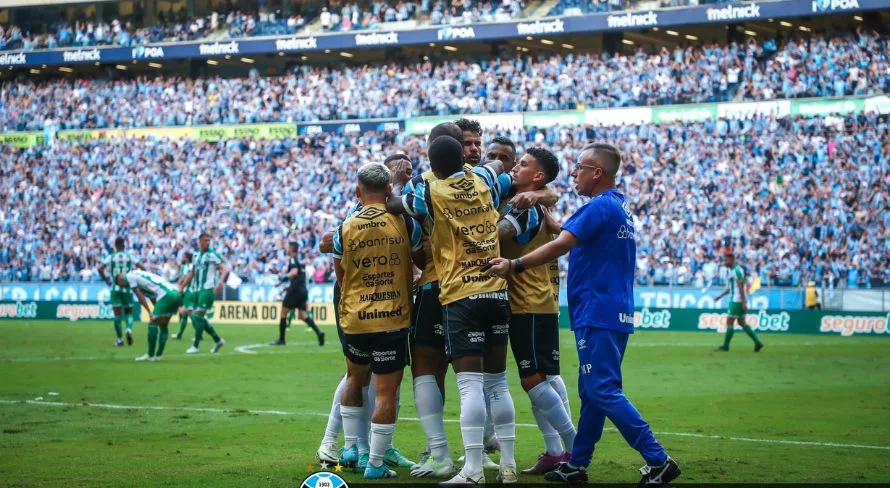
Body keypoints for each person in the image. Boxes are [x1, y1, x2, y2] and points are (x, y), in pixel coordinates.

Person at [486, 143, 681, 486]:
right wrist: (550, 213)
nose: (574, 173)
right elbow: (569, 231)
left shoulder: (599, 208)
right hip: (610, 309)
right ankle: (577, 464)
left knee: (602, 390)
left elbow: (562, 244)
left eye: (579, 167)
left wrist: (514, 264)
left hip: (598, 310)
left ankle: (658, 459)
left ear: (597, 173)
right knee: (592, 392)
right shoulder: (616, 205)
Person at [388, 135, 518, 485]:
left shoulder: (430, 192)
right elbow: (499, 170)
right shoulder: (484, 180)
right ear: (464, 157)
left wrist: (401, 179)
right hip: (496, 290)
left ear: (432, 166)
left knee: (468, 386)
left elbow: (396, 203)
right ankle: (508, 465)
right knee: (499, 384)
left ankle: (470, 468)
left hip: (459, 293)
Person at [314, 155, 416, 471]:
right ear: (389, 189)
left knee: (355, 380)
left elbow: (340, 271)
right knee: (386, 391)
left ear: (359, 192)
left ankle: (350, 449)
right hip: (392, 316)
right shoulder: (405, 221)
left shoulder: (345, 227)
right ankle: (372, 461)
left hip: (356, 316)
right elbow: (416, 262)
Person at [497, 148, 577, 475]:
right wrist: (542, 194)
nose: (515, 167)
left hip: (527, 302)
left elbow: (501, 234)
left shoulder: (526, 207)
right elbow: (552, 195)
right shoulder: (536, 202)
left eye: (523, 164)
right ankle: (556, 451)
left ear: (538, 175)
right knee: (545, 375)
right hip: (542, 300)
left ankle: (574, 446)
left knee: (532, 379)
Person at [117, 269, 182, 362]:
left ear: (120, 280)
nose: (123, 287)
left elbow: (139, 295)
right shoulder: (140, 276)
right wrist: (156, 310)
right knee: (163, 324)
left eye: (121, 285)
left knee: (153, 323)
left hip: (165, 295)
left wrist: (149, 311)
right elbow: (152, 297)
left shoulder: (129, 277)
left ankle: (150, 355)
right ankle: (159, 355)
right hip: (175, 293)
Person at [179, 233, 227, 354]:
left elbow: (225, 269)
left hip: (207, 289)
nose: (208, 242)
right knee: (197, 316)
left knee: (197, 316)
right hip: (197, 290)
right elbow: (192, 273)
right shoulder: (195, 255)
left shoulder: (212, 254)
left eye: (209, 240)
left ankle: (195, 346)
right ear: (199, 242)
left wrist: (220, 282)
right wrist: (182, 287)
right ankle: (217, 340)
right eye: (205, 240)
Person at [270, 241, 325, 346]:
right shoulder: (299, 260)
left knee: (283, 312)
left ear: (292, 249)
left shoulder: (293, 259)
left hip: (295, 290)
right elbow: (298, 274)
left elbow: (294, 272)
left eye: (288, 247)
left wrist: (284, 277)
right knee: (302, 315)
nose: (287, 249)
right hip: (303, 290)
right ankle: (319, 333)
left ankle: (282, 340)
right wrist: (281, 282)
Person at [714, 251, 764, 352]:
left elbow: (741, 287)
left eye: (726, 260)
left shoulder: (737, 271)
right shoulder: (733, 271)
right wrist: (720, 296)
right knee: (742, 322)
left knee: (729, 321)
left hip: (737, 300)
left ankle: (725, 346)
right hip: (738, 299)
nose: (724, 262)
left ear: (731, 260)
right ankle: (757, 342)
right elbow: (731, 288)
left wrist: (744, 302)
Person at [97, 237, 141, 347]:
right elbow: (142, 267)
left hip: (115, 288)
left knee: (117, 315)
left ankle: (120, 340)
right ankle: (129, 329)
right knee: (129, 313)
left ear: (115, 246)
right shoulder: (130, 257)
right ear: (124, 245)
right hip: (127, 288)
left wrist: (107, 280)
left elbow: (99, 268)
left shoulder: (111, 257)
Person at [172, 251, 194, 340]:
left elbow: (184, 277)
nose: (183, 258)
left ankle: (199, 333)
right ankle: (179, 334)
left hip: (188, 291)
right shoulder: (190, 266)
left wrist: (180, 286)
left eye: (184, 257)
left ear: (187, 258)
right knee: (185, 314)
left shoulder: (187, 267)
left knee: (191, 314)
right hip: (189, 291)